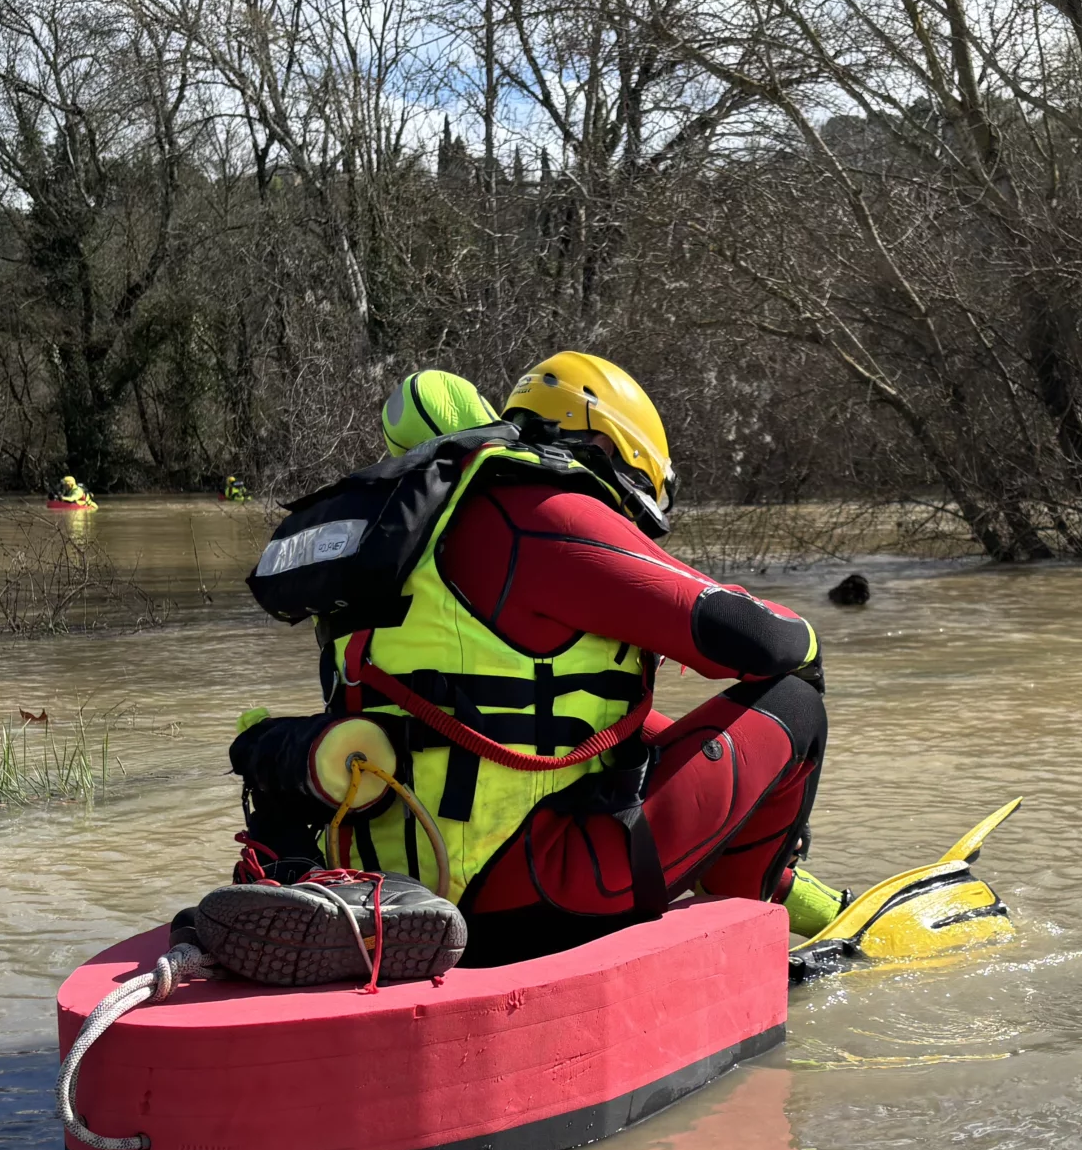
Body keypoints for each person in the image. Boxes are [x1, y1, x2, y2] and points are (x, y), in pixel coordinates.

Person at [214, 350, 849, 974]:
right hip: (530, 900)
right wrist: (807, 642)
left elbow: (550, 722)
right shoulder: (548, 510)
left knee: (644, 738)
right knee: (794, 697)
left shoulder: (410, 536)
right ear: (626, 454)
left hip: (388, 878)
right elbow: (745, 636)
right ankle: (749, 930)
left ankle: (806, 902)